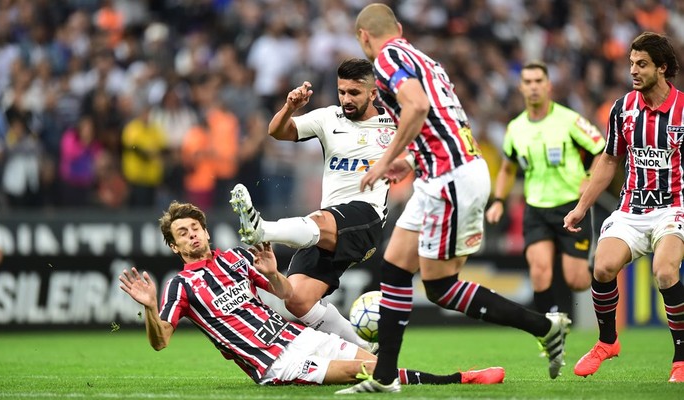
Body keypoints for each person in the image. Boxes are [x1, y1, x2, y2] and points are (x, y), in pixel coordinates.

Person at [338, 4, 572, 394]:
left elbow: (417, 107)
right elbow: (442, 123)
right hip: (442, 173)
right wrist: (411, 160)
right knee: (394, 268)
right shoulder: (425, 60)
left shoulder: (388, 59)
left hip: (450, 179)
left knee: (441, 286)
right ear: (397, 27)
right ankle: (385, 378)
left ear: (364, 37)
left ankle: (546, 327)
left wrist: (385, 160)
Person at [119, 201, 505, 386]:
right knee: (369, 371)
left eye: (194, 228)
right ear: (174, 247)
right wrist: (152, 309)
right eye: (181, 233)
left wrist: (273, 275)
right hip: (274, 363)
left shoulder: (237, 258)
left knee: (379, 362)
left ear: (204, 230)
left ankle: (455, 378)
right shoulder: (179, 286)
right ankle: (461, 378)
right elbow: (160, 343)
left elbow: (287, 294)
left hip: (297, 335)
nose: (191, 235)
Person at [230, 58, 395, 354]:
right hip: (327, 226)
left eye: (354, 93)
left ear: (372, 94)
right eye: (341, 91)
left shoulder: (394, 124)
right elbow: (277, 131)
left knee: (318, 220)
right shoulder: (327, 118)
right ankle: (367, 350)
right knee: (296, 299)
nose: (346, 99)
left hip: (365, 218)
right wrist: (290, 107)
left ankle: (262, 229)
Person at [563, 31, 684, 383]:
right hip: (631, 209)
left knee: (665, 271)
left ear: (662, 68)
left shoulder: (682, 110)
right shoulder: (622, 109)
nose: (633, 70)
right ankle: (607, 342)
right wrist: (582, 206)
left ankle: (680, 358)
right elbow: (610, 160)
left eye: (642, 64)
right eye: (631, 63)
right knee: (602, 268)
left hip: (673, 208)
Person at [486, 61, 606, 314]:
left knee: (577, 280)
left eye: (538, 81)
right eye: (528, 82)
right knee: (539, 272)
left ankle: (602, 268)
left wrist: (589, 177)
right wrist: (498, 200)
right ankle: (550, 331)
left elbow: (601, 149)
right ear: (521, 87)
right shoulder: (515, 128)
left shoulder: (569, 119)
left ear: (548, 85)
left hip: (571, 206)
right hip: (536, 207)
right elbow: (508, 168)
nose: (533, 87)